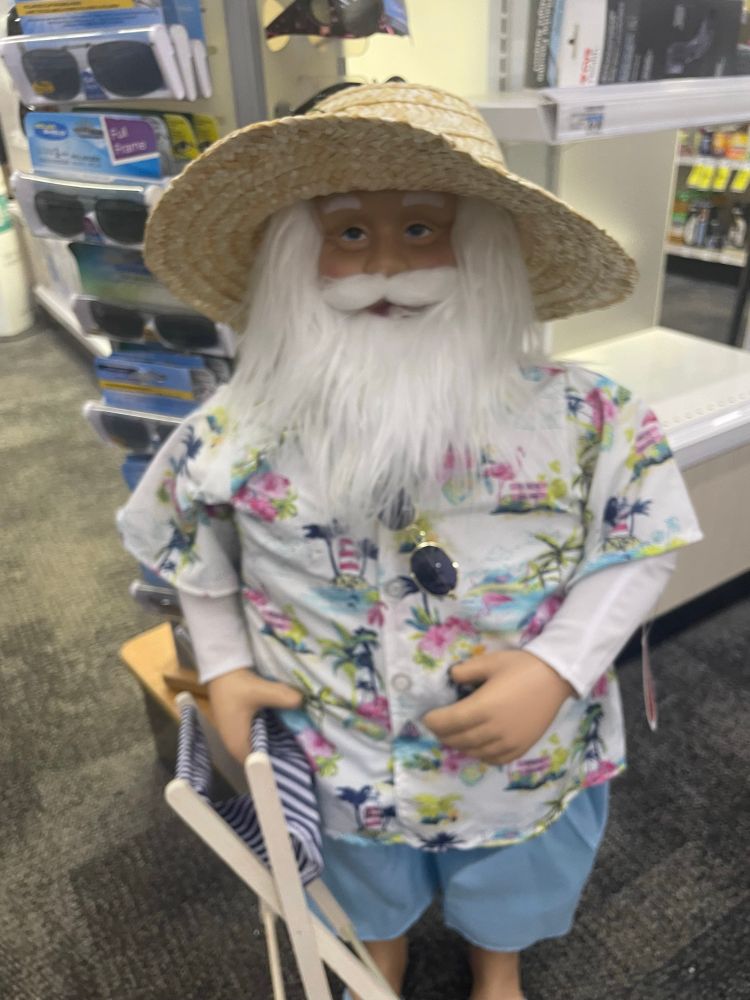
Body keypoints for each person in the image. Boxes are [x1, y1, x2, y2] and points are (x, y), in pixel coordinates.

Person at [119, 83, 703, 1000]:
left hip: (516, 754)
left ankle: (498, 963)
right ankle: (375, 950)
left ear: (484, 250)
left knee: (517, 873)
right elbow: (194, 543)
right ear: (296, 256)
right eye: (349, 233)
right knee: (356, 879)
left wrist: (558, 667)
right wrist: (225, 668)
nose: (385, 264)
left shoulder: (588, 417)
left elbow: (642, 540)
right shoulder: (241, 426)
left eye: (422, 228)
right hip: (335, 741)